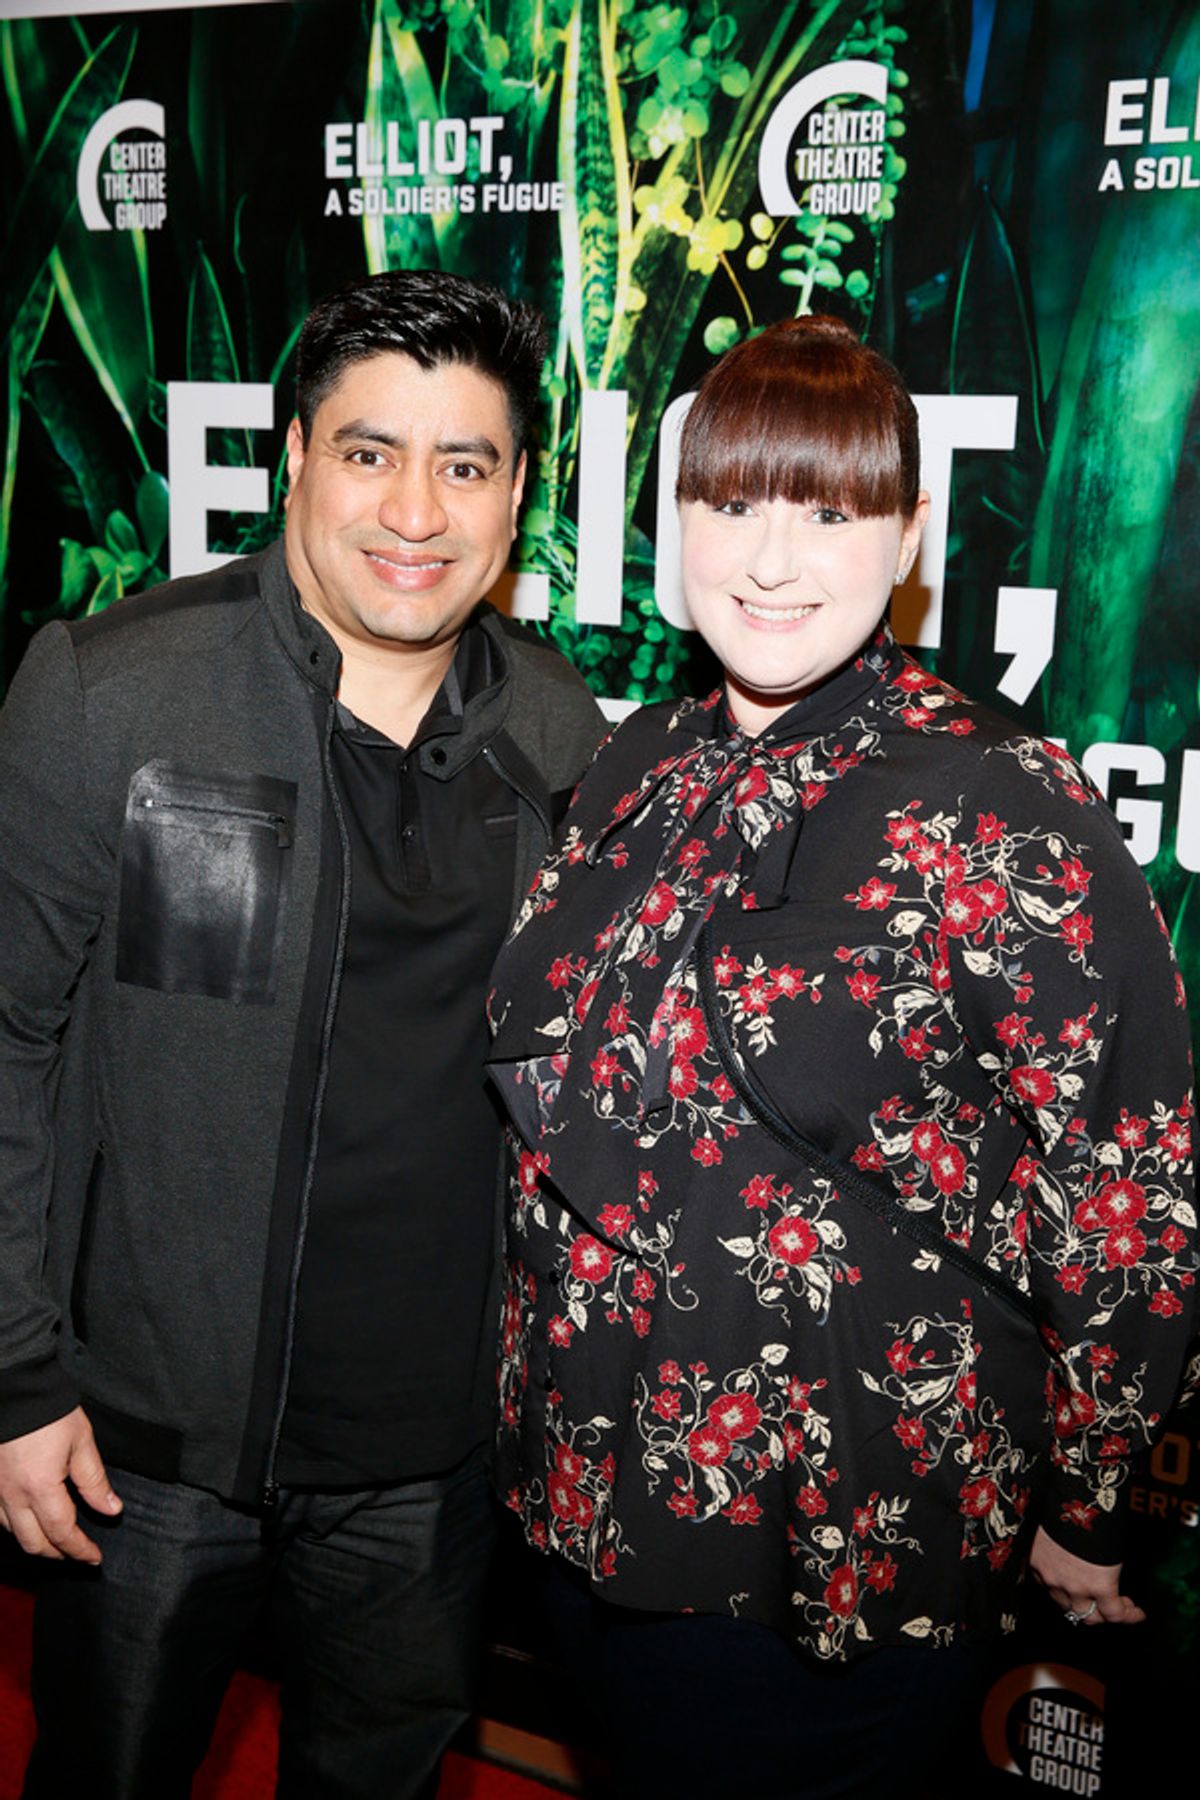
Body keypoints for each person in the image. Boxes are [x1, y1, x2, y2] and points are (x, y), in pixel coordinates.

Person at [485, 316, 1197, 1797]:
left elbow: (1128, 1183)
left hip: (837, 1554)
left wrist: (1094, 1499)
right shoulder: (637, 762)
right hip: (583, 1513)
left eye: (828, 510)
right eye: (730, 502)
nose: (770, 558)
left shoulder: (1002, 805)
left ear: (910, 536)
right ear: (672, 519)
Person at [0, 268, 604, 1798]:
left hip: (430, 1467)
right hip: (146, 1451)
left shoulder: (560, 731)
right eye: (367, 451)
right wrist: (17, 1377)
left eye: (464, 465)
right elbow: (3, 1039)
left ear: (518, 492)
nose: (416, 510)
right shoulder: (112, 692)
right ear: (290, 457)